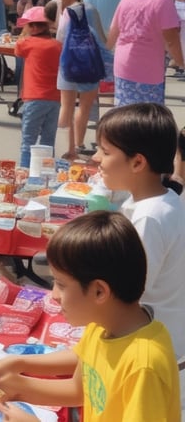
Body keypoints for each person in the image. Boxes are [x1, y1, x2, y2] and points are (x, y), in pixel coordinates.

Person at [0, 210, 181, 422]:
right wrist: (20, 367)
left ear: (99, 292)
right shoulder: (104, 325)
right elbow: (80, 387)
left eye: (60, 284)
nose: (54, 295)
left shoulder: (145, 366)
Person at [90, 102, 185, 415]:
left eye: (104, 151)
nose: (95, 159)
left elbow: (125, 299)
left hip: (151, 364)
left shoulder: (150, 219)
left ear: (137, 162)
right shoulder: (157, 203)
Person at [107, 0, 183, 107]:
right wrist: (181, 63)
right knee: (148, 117)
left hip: (123, 66)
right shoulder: (162, 2)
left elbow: (113, 32)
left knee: (125, 114)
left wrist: (103, 53)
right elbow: (171, 41)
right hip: (147, 69)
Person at [54, 0, 105, 159]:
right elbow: (102, 38)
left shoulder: (67, 12)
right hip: (89, 65)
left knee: (66, 107)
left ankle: (67, 149)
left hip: (68, 64)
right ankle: (79, 144)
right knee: (84, 107)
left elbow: (60, 39)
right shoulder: (91, 9)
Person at [14, 6, 61, 167]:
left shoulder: (27, 43)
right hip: (54, 98)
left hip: (34, 97)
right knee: (48, 141)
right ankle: (45, 173)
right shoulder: (57, 45)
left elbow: (17, 50)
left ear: (33, 27)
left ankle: (26, 172)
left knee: (28, 141)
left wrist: (24, 34)